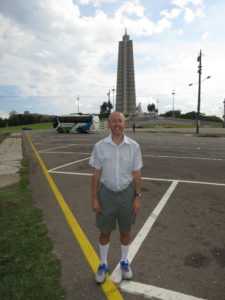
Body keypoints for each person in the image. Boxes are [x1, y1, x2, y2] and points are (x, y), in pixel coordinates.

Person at [89, 112, 143, 284]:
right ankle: (103, 263)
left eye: (120, 121)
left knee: (126, 230)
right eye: (114, 121)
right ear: (109, 124)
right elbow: (96, 174)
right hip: (106, 193)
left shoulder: (134, 146)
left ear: (124, 124)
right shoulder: (100, 146)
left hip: (127, 193)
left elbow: (137, 174)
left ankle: (124, 261)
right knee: (104, 231)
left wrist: (137, 197)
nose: (117, 124)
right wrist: (95, 198)